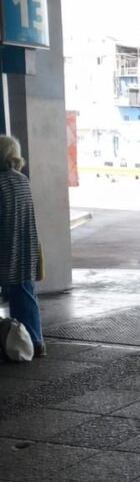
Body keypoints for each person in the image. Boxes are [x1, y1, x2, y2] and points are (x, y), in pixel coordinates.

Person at [0, 135, 45, 358]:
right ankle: (35, 342)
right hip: (24, 248)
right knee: (25, 296)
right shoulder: (21, 180)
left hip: (3, 247)